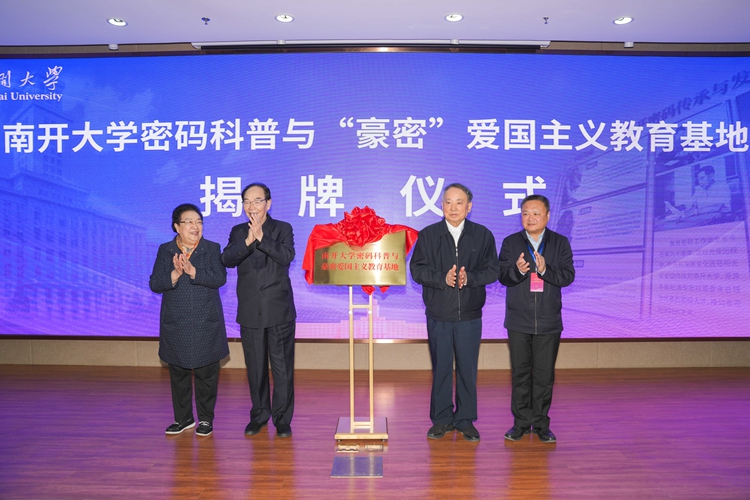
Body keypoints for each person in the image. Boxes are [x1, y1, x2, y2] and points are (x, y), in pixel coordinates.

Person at [410, 183, 500, 442]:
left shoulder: (482, 235)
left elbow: (493, 270)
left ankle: (465, 419)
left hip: (469, 314)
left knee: (467, 369)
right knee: (441, 368)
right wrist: (443, 278)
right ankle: (441, 419)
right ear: (442, 206)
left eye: (459, 202)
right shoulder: (429, 235)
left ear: (469, 207)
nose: (453, 207)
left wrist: (469, 278)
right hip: (438, 314)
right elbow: (417, 270)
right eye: (448, 202)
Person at [221, 183, 296, 438]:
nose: (251, 206)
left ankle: (282, 419)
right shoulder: (238, 231)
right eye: (247, 201)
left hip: (279, 310)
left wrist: (262, 238)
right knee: (255, 368)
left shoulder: (283, 229)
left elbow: (286, 257)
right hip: (250, 310)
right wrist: (247, 241)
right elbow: (226, 259)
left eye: (257, 200)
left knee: (282, 368)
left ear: (268, 203)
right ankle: (260, 415)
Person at [498, 194, 575, 443]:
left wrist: (544, 270)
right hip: (518, 320)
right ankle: (520, 423)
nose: (530, 218)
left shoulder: (560, 242)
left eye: (535, 213)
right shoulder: (511, 242)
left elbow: (568, 276)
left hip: (548, 320)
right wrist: (517, 271)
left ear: (548, 216)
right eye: (525, 213)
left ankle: (541, 424)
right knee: (520, 374)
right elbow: (502, 277)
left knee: (543, 376)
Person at [149, 203, 229, 437]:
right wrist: (175, 274)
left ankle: (205, 419)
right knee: (179, 373)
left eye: (199, 222)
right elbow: (155, 283)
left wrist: (194, 272)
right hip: (177, 321)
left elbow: (220, 278)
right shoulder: (165, 250)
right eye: (189, 222)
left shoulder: (211, 248)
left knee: (206, 374)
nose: (196, 226)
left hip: (206, 321)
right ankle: (183, 418)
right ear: (177, 226)